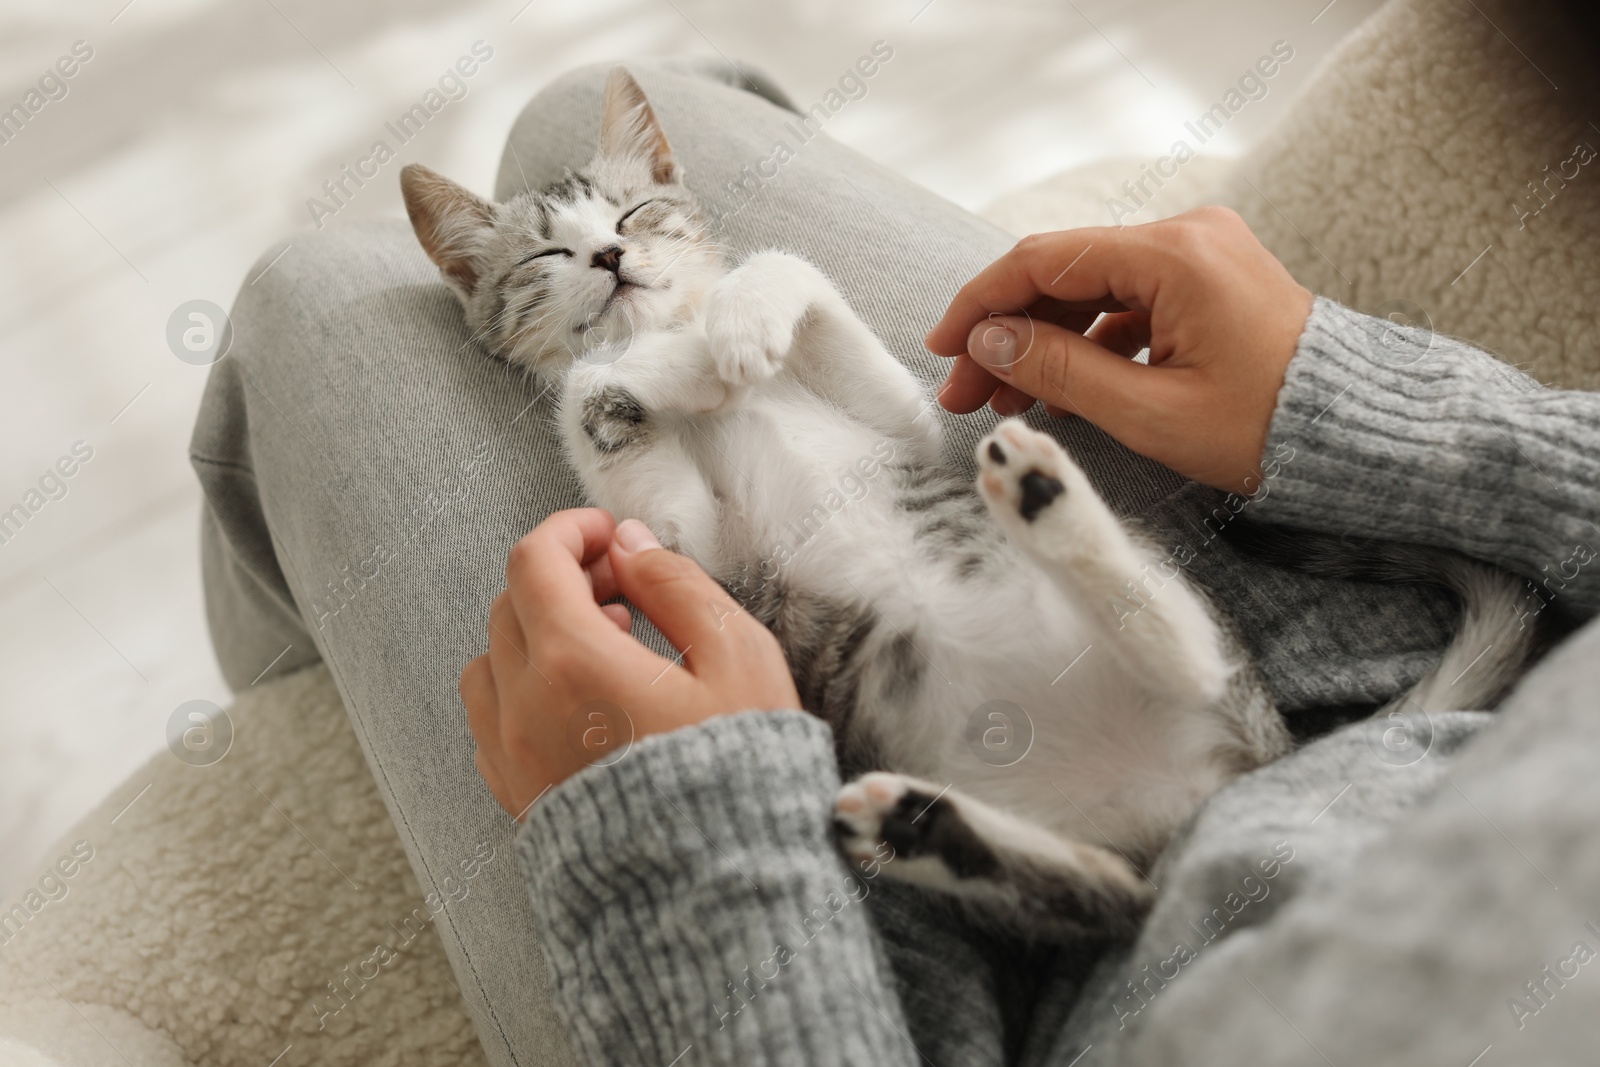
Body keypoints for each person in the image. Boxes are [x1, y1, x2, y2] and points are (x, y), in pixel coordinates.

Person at [198, 61, 1600, 1067]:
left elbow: (680, 530)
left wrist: (686, 839)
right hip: (1360, 703)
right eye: (561, 264)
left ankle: (298, 695)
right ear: (499, 302)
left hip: (984, 934)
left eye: (632, 228)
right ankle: (325, 681)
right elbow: (891, 434)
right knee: (594, 104)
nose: (613, 261)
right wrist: (1385, 410)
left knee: (304, 306)